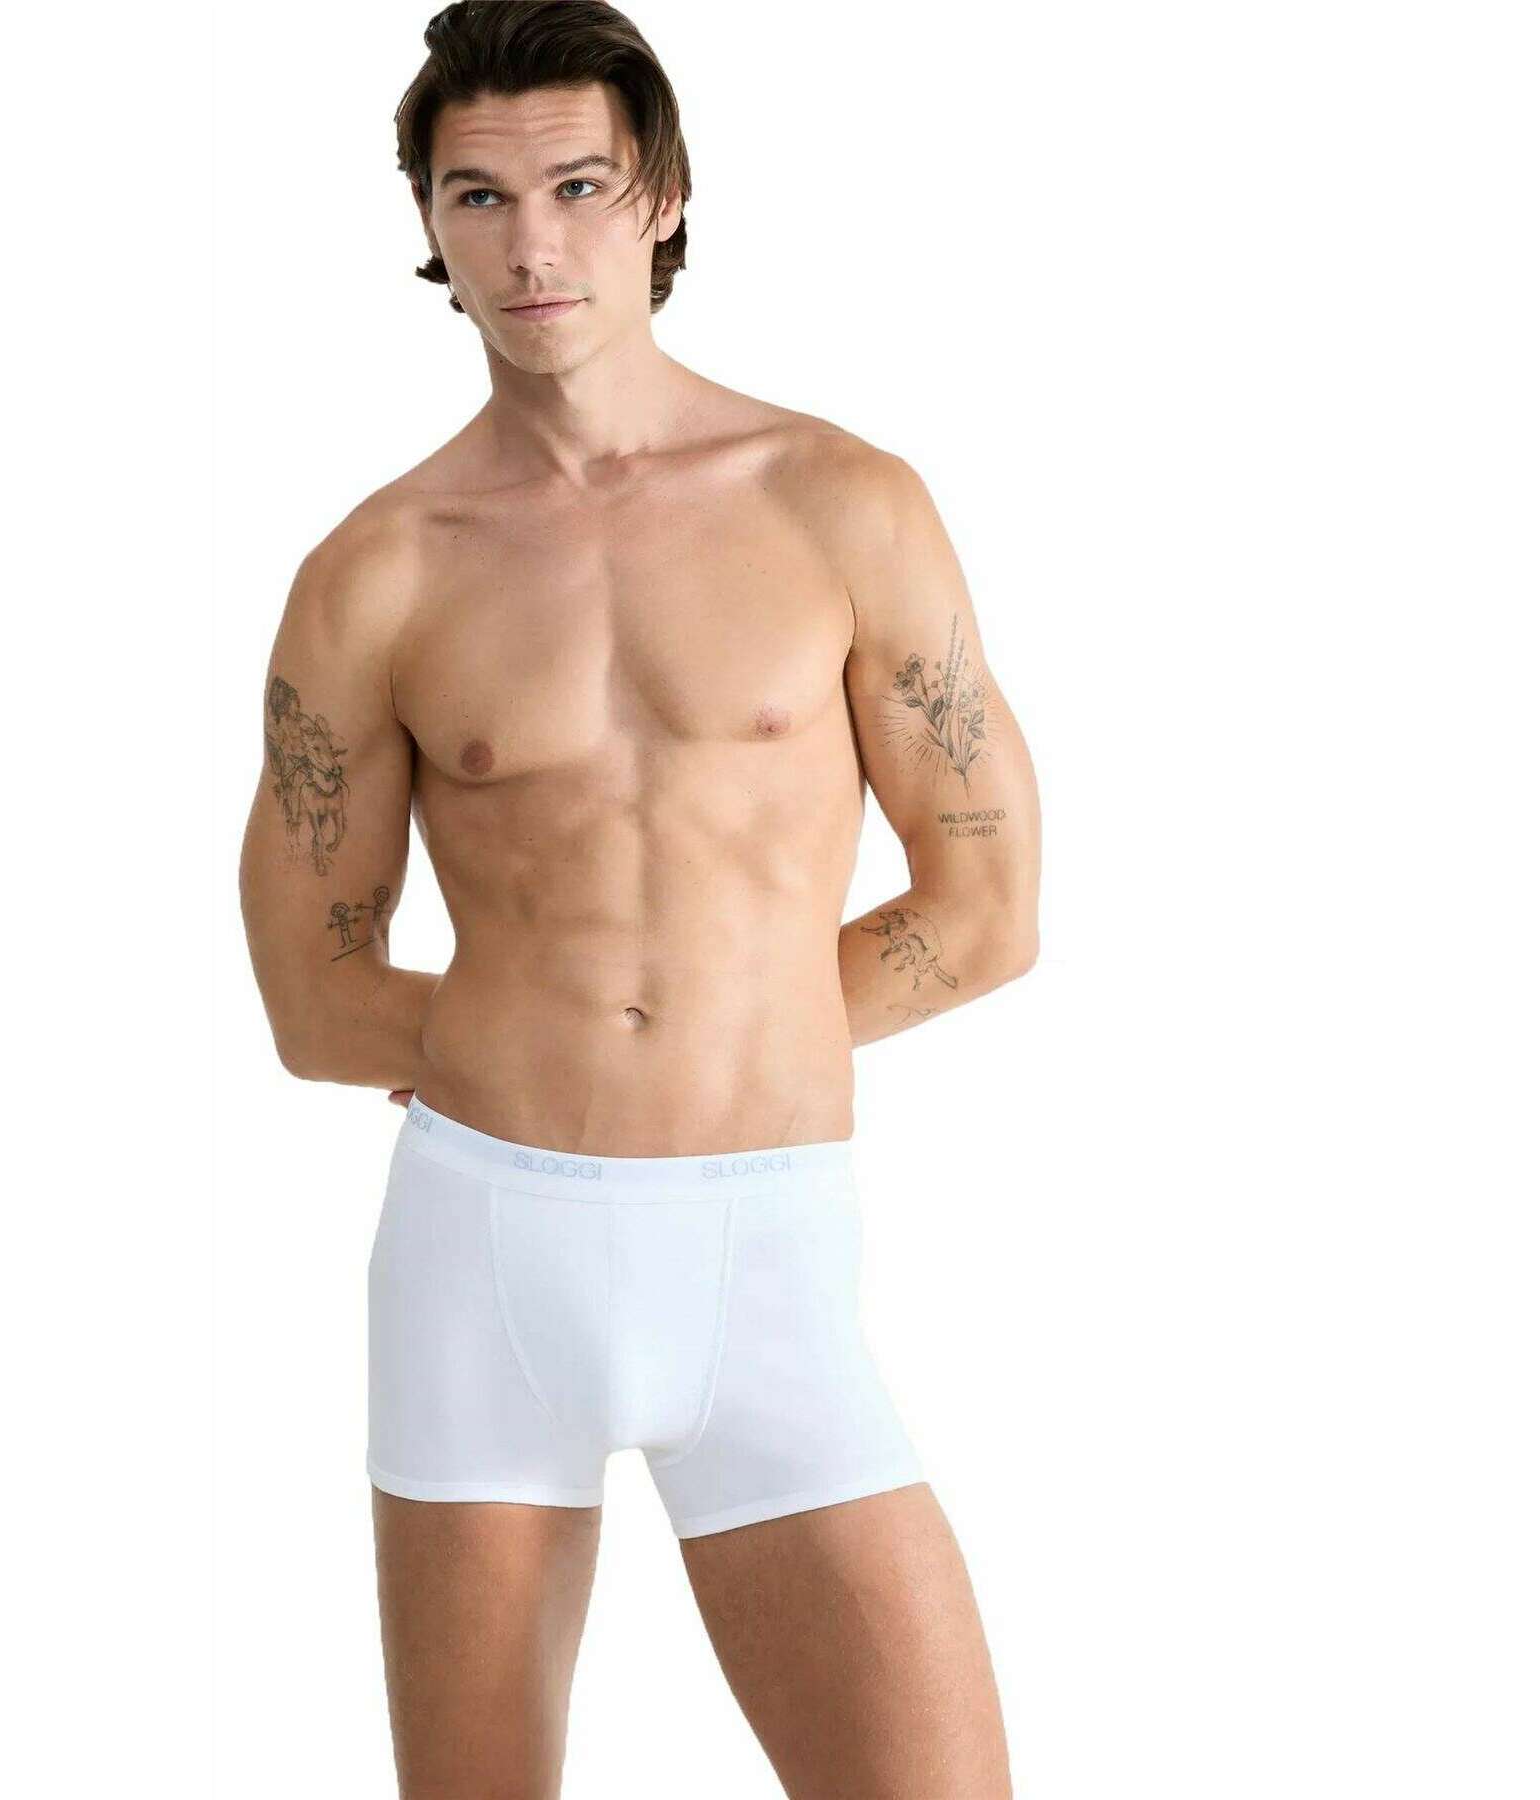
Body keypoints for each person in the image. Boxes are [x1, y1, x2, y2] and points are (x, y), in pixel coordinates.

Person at [238, 4, 1041, 1794]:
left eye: (580, 188)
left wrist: (724, 1027)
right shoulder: (374, 573)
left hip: (767, 1247)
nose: (533, 244)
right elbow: (310, 989)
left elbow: (988, 903)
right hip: (482, 1256)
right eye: (479, 196)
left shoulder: (841, 504)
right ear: (430, 224)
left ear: (663, 197)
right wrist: (526, 1046)